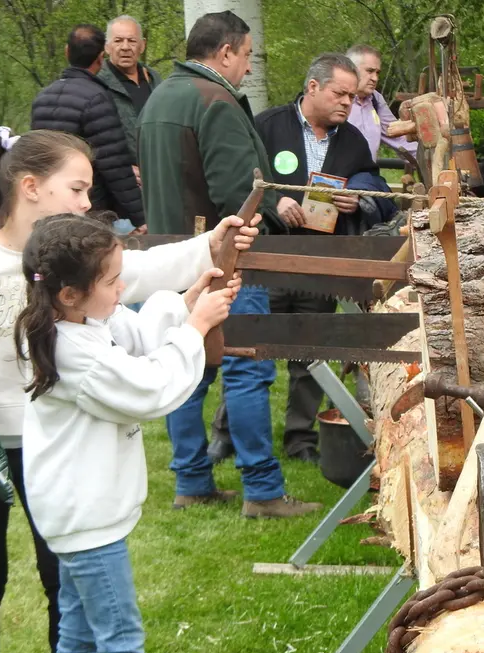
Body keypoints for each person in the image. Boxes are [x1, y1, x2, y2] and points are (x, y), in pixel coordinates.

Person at [0, 127, 257, 653]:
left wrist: (202, 263)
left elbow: (132, 288)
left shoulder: (75, 291)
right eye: (77, 188)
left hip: (57, 475)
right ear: (30, 187)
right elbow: (144, 377)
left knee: (67, 607)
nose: (84, 199)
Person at [15, 214, 246, 653]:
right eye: (113, 281)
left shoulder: (79, 320)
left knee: (78, 643)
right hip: (89, 523)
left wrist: (186, 303)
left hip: (74, 516)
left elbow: (137, 338)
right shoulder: (75, 351)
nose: (123, 288)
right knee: (120, 644)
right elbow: (149, 387)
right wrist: (198, 326)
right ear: (71, 293)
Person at [139, 10, 321, 517]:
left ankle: (192, 481)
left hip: (172, 255)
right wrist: (273, 216)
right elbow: (240, 192)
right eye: (245, 57)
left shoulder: (160, 96)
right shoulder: (214, 100)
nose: (246, 68)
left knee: (187, 367)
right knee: (246, 368)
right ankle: (262, 491)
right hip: (222, 258)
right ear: (225, 53)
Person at [255, 52, 379, 463]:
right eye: (339, 93)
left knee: (308, 351)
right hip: (267, 254)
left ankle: (299, 439)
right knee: (251, 350)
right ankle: (229, 432)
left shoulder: (352, 139)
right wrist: (276, 200)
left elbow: (371, 178)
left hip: (319, 260)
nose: (347, 102)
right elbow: (242, 179)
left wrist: (357, 195)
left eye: (351, 95)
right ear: (313, 87)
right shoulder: (268, 127)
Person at [31, 24, 146, 232]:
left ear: (67, 51)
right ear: (101, 57)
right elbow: (114, 164)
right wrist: (140, 216)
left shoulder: (42, 98)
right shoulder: (97, 98)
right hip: (89, 207)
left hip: (49, 205)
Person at [97, 16, 161, 173]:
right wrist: (122, 169)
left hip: (160, 172)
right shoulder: (97, 84)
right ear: (107, 46)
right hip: (121, 181)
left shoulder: (155, 79)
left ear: (142, 45)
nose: (125, 47)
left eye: (132, 41)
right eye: (118, 41)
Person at [345, 44, 417, 163]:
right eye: (370, 71)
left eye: (377, 72)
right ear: (350, 69)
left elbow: (399, 138)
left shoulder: (375, 99)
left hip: (366, 176)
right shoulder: (334, 100)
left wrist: (433, 159)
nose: (375, 78)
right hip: (336, 177)